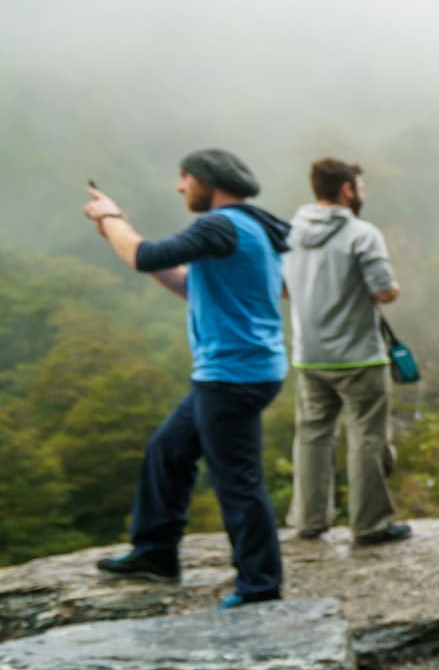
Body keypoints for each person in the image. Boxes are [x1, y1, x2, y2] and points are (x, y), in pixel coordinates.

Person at [82, 150, 290, 607]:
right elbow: (187, 284)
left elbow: (143, 255)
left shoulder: (221, 224)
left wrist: (113, 218)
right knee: (168, 449)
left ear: (207, 181)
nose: (180, 188)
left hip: (233, 374)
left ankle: (260, 586)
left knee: (237, 480)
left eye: (185, 179)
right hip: (236, 370)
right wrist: (114, 231)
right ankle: (155, 552)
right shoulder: (250, 225)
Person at [284, 157, 410, 547]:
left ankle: (309, 519)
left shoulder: (288, 234)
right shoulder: (362, 233)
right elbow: (383, 291)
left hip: (309, 353)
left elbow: (283, 288)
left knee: (312, 436)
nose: (362, 194)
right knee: (366, 437)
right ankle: (370, 524)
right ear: (346, 190)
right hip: (358, 355)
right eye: (360, 186)